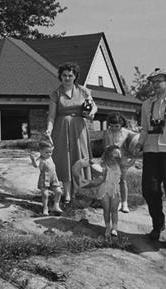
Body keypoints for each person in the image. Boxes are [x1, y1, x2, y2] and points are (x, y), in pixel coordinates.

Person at [134, 68, 166, 253]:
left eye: (159, 81)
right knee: (149, 189)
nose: (156, 85)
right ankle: (158, 223)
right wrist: (138, 144)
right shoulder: (146, 104)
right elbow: (145, 128)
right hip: (151, 151)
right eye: (153, 82)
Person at [44, 62, 98, 204]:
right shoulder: (55, 94)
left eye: (70, 75)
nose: (67, 78)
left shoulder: (84, 91)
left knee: (79, 157)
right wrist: (49, 130)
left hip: (79, 128)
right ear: (60, 77)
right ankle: (67, 193)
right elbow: (51, 115)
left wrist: (92, 113)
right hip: (61, 129)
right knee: (64, 159)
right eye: (64, 75)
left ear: (75, 76)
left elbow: (93, 107)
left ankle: (77, 191)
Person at [72, 146, 135, 240]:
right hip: (104, 190)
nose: (117, 156)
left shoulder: (120, 164)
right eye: (115, 154)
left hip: (115, 190)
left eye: (118, 154)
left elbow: (129, 163)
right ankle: (107, 227)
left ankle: (115, 228)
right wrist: (85, 163)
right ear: (109, 154)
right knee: (106, 210)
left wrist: (135, 154)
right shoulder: (103, 165)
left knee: (114, 210)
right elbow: (85, 165)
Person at [102, 112, 139, 213]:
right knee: (113, 181)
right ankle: (116, 202)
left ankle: (125, 203)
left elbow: (137, 138)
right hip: (111, 159)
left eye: (117, 126)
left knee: (123, 180)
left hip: (123, 158)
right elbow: (105, 146)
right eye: (112, 126)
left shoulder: (126, 132)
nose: (114, 128)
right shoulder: (107, 132)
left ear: (121, 124)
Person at [29, 141, 63, 215]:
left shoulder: (50, 156)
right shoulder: (40, 159)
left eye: (50, 152)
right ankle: (45, 207)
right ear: (41, 151)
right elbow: (35, 166)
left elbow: (52, 145)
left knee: (59, 192)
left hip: (54, 177)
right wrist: (33, 160)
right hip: (44, 178)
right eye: (47, 152)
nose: (49, 154)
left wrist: (49, 137)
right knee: (45, 194)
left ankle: (56, 205)